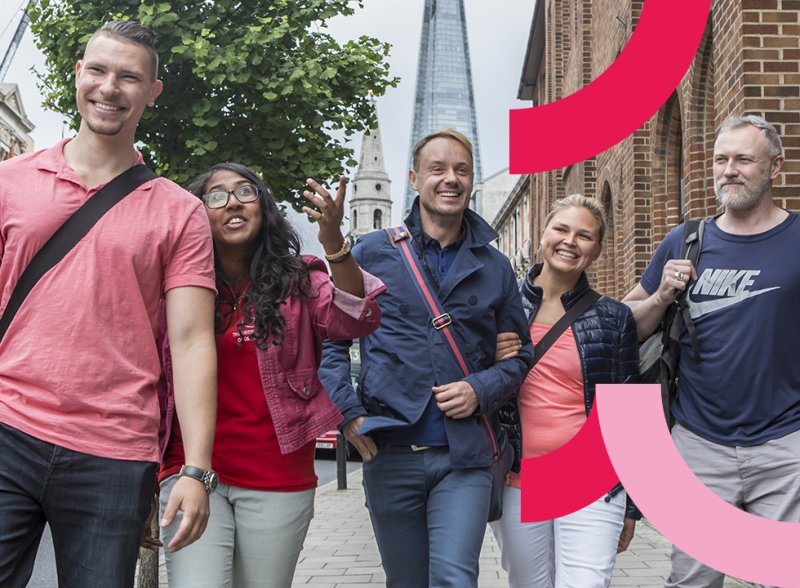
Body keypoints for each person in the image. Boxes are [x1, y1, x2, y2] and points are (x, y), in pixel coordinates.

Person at [0, 21, 217, 587]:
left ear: (152, 92)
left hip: (114, 450)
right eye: (97, 70)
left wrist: (196, 468)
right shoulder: (10, 182)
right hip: (6, 424)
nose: (109, 87)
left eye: (129, 77)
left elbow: (192, 339)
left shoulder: (179, 211)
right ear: (78, 75)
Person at [319, 128, 534, 587]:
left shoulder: (494, 266)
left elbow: (520, 358)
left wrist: (480, 388)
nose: (450, 179)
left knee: (455, 579)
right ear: (415, 179)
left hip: (465, 457)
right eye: (437, 169)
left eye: (461, 169)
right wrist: (348, 415)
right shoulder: (371, 253)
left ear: (471, 180)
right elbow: (332, 340)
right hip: (389, 451)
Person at [156, 163, 384, 587]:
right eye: (216, 195)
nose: (233, 203)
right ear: (197, 213)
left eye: (245, 191)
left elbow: (357, 318)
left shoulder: (299, 281)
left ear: (264, 208)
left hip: (276, 476)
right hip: (190, 470)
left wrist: (334, 244)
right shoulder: (177, 286)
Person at [624, 114, 800, 588]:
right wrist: (660, 296)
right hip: (698, 444)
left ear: (775, 167)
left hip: (785, 446)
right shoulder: (684, 241)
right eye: (721, 160)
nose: (729, 170)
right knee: (693, 580)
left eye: (744, 159)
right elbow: (625, 331)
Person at [490, 194, 640, 588]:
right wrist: (489, 360)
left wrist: (633, 505)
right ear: (544, 234)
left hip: (588, 474)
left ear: (598, 249)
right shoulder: (499, 310)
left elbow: (629, 418)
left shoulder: (615, 317)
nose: (570, 241)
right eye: (561, 228)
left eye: (584, 235)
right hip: (519, 478)